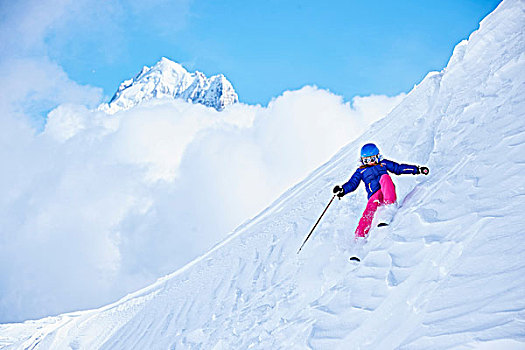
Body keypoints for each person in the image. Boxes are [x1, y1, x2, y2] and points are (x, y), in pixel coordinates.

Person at [333, 143, 429, 239]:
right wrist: (342, 190)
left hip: (387, 191)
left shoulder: (383, 163)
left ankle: (389, 207)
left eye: (372, 159)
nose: (370, 162)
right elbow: (352, 183)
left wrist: (417, 169)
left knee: (385, 177)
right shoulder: (360, 171)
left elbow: (398, 168)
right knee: (368, 211)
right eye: (366, 160)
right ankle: (359, 236)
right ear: (362, 160)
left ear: (377, 156)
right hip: (374, 195)